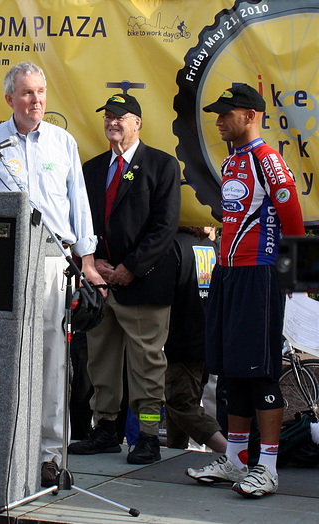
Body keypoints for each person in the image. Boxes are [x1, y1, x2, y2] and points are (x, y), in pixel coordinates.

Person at [0, 62, 105, 487]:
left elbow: (79, 202)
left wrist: (88, 262)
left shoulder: (63, 143)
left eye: (41, 92)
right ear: (9, 99)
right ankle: (5, 450)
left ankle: (49, 456)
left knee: (54, 362)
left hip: (53, 261)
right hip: (5, 261)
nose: (36, 100)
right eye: (27, 93)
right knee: (5, 357)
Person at [186, 84, 305, 498]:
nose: (218, 121)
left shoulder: (267, 160)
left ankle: (267, 467)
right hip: (229, 274)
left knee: (260, 371)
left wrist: (295, 282)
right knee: (232, 369)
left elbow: (293, 219)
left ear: (250, 115)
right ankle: (236, 461)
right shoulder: (233, 160)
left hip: (260, 275)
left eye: (226, 114)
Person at [70, 93, 181, 464]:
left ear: (138, 123)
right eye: (108, 117)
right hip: (100, 284)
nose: (112, 122)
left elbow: (164, 227)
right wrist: (94, 261)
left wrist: (130, 267)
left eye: (121, 117)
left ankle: (148, 435)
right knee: (99, 363)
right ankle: (104, 429)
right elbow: (81, 221)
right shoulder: (92, 168)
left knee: (147, 367)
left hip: (144, 284)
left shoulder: (162, 165)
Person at [164, 226, 226, 453]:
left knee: (181, 403)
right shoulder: (213, 247)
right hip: (207, 338)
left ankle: (229, 450)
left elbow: (166, 294)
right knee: (180, 400)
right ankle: (175, 451)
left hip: (181, 338)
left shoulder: (173, 245)